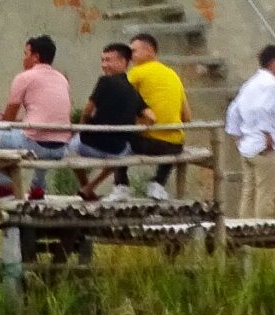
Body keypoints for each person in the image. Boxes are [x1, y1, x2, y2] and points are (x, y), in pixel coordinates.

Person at [0, 34, 73, 200]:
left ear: (35, 57)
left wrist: (1, 121)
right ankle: (38, 186)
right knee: (42, 133)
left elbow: (8, 119)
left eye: (26, 54)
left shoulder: (24, 77)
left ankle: (4, 185)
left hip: (34, 146)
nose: (24, 59)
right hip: (61, 148)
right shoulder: (62, 79)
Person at [223, 44, 275, 219]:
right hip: (263, 145)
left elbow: (233, 110)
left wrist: (236, 136)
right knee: (265, 193)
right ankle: (262, 231)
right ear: (273, 63)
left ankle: (242, 228)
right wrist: (267, 135)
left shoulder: (251, 83)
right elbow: (264, 109)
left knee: (248, 192)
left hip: (246, 144)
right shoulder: (272, 84)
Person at [74, 41, 148, 198]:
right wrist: (138, 127)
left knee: (69, 148)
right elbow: (151, 117)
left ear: (123, 62)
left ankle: (86, 186)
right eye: (102, 60)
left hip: (92, 146)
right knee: (122, 154)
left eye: (108, 60)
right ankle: (90, 187)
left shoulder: (104, 81)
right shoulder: (133, 91)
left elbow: (87, 111)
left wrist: (81, 129)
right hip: (118, 150)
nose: (104, 65)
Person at [126, 31, 189, 202]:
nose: (130, 56)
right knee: (172, 138)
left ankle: (120, 185)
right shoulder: (173, 75)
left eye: (133, 51)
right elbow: (187, 116)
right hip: (176, 145)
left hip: (150, 143)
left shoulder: (137, 73)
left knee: (119, 135)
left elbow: (120, 101)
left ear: (150, 51)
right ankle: (158, 184)